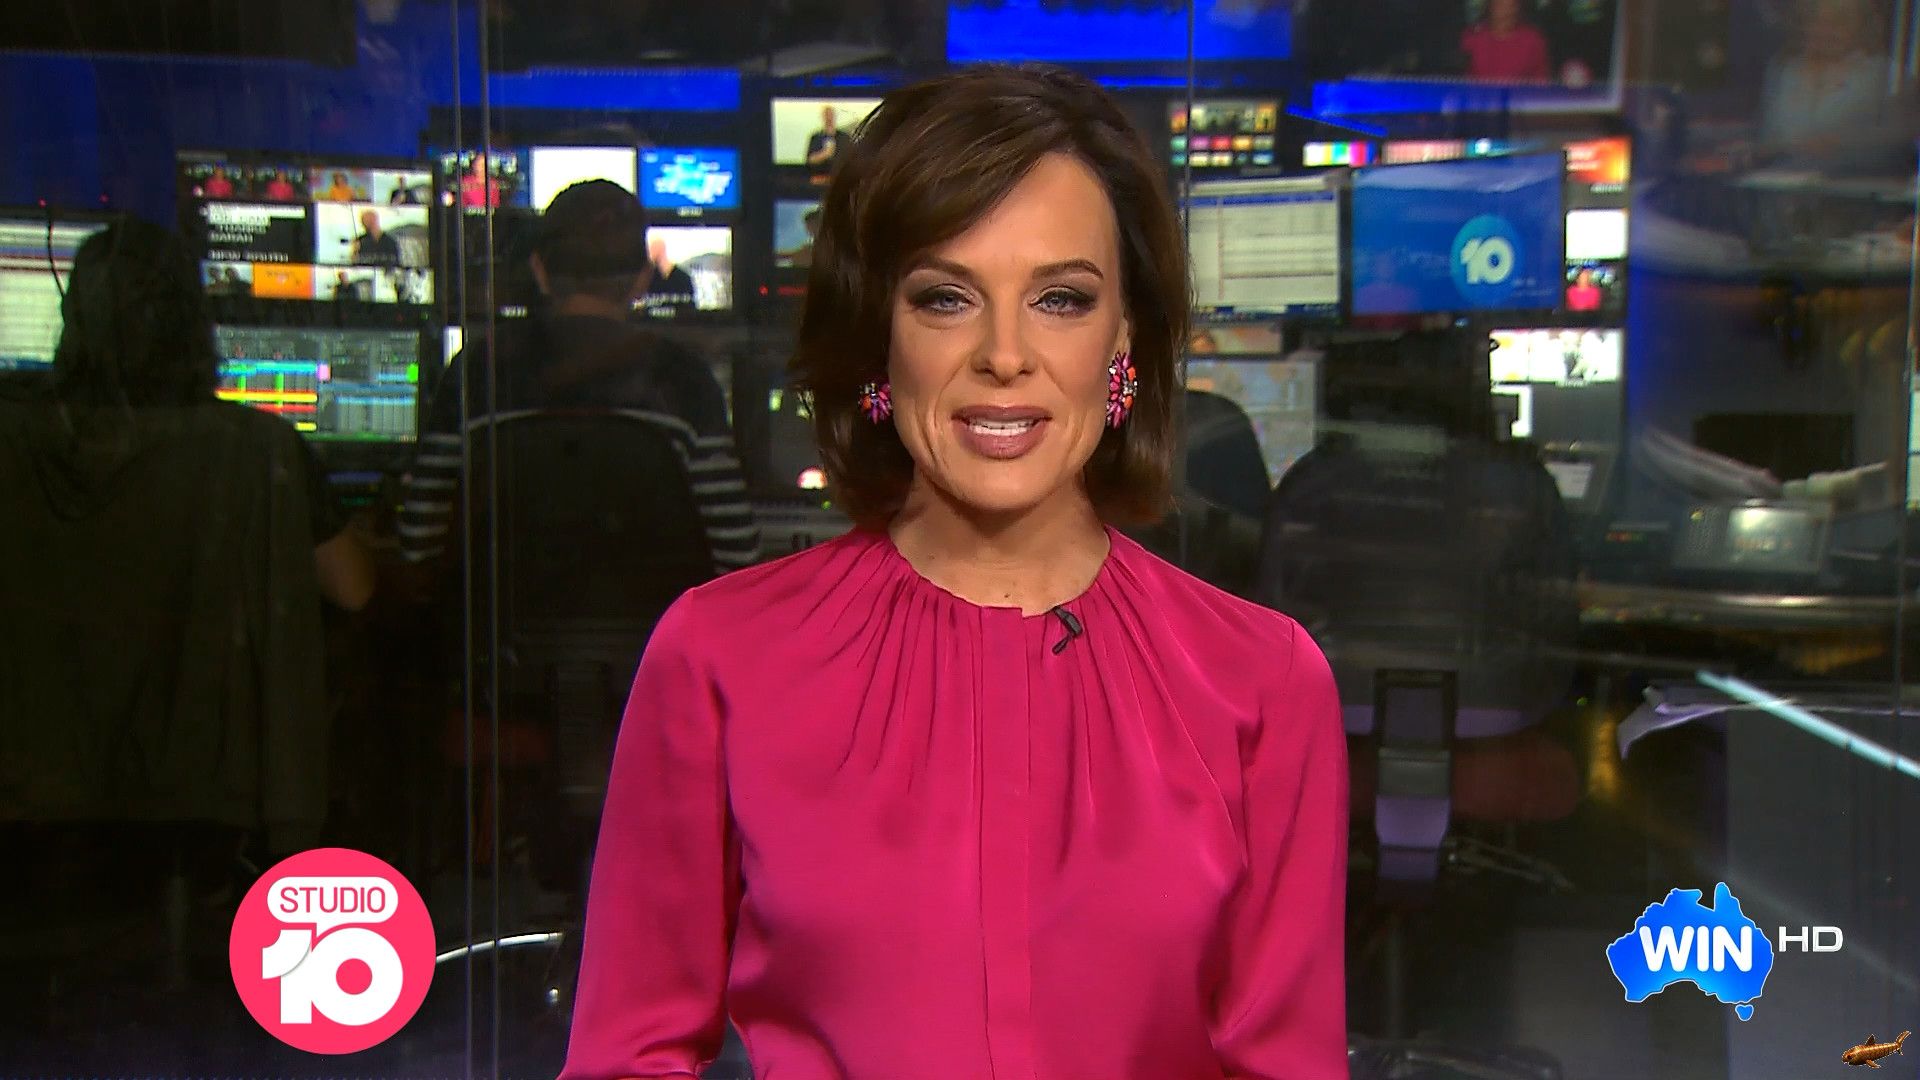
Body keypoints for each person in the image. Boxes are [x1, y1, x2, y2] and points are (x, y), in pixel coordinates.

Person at [560, 65, 1347, 1080]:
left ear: (1124, 339)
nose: (1004, 355)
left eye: (1061, 299)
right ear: (878, 338)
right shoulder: (721, 656)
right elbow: (628, 1057)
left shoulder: (1262, 682)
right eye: (945, 298)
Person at [398, 180, 756, 574]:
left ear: (539, 270)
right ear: (642, 279)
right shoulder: (684, 378)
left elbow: (418, 544)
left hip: (502, 616)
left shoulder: (476, 369)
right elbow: (738, 554)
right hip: (656, 617)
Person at [1460, 0, 1552, 81]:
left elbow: (1541, 86)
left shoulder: (1533, 41)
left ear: (1518, 4)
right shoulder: (1472, 37)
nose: (1499, 2)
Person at [644, 235, 696, 305]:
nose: (649, 253)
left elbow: (689, 308)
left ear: (660, 249)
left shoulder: (683, 279)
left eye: (651, 249)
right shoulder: (647, 279)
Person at [805, 104, 842, 183]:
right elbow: (810, 160)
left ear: (834, 117)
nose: (829, 118)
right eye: (826, 115)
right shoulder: (815, 137)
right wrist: (824, 154)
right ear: (822, 117)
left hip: (839, 180)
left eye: (831, 115)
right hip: (819, 179)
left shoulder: (844, 137)